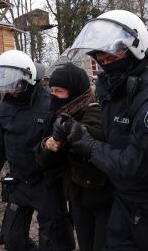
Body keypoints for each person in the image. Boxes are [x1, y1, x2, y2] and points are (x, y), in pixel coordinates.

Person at [62, 10, 148, 251]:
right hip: (124, 204)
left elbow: (136, 167)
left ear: (135, 47)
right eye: (99, 55)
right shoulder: (121, 87)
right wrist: (76, 130)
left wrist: (89, 146)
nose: (103, 58)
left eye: (111, 54)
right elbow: (113, 138)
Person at [0, 50, 74, 251]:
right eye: (8, 83)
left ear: (28, 78)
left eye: (16, 83)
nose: (12, 89)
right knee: (13, 240)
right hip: (19, 182)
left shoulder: (49, 103)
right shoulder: (2, 111)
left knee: (53, 241)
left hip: (47, 182)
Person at [37, 61, 113, 251]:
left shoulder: (94, 110)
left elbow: (95, 134)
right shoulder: (58, 114)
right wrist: (47, 146)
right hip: (77, 199)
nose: (53, 95)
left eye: (59, 91)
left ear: (76, 91)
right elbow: (43, 161)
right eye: (51, 90)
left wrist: (71, 131)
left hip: (103, 199)